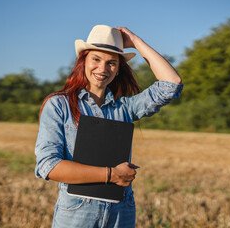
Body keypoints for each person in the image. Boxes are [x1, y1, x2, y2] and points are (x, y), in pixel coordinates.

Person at [35, 25, 184, 228]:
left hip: (120, 213)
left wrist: (136, 41)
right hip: (77, 214)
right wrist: (111, 175)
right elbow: (48, 166)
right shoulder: (59, 105)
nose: (103, 69)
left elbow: (171, 84)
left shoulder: (125, 107)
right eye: (96, 59)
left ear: (118, 68)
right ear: (83, 61)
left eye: (112, 63)